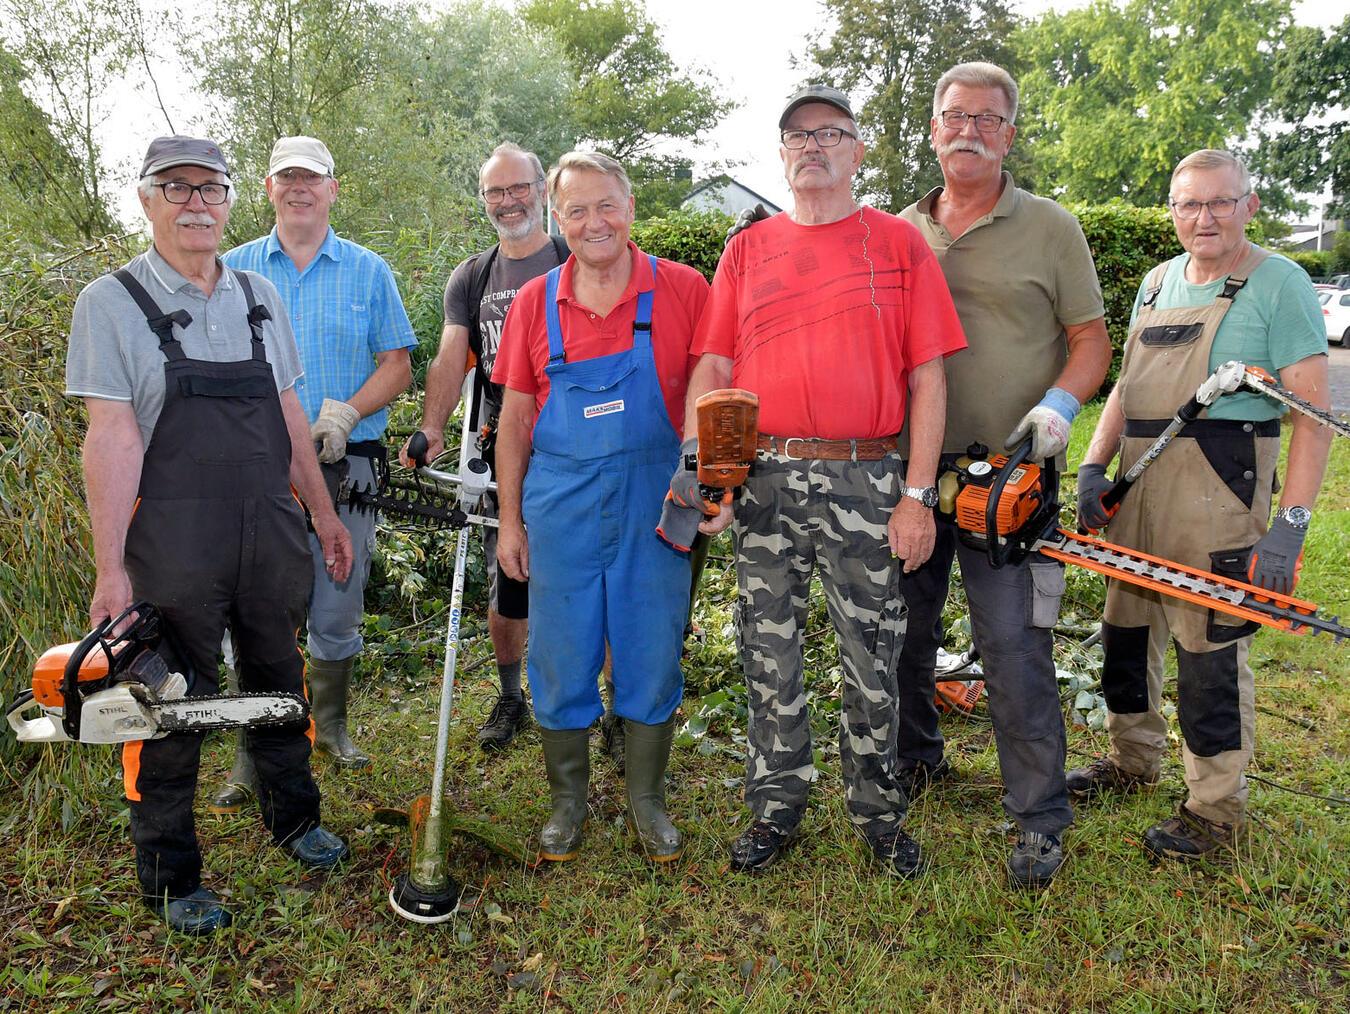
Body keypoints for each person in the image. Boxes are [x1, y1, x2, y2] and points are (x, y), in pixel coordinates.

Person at [64, 136, 355, 935]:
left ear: (232, 201)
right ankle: (169, 874)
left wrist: (323, 514)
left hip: (269, 530)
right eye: (177, 187)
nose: (197, 202)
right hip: (173, 544)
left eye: (211, 188)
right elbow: (111, 439)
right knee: (163, 707)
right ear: (147, 198)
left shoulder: (259, 294)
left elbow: (291, 414)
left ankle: (294, 821)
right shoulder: (112, 301)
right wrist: (110, 568)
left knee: (277, 684)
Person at [686, 85, 967, 878]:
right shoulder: (747, 251)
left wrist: (916, 497)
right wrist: (716, 476)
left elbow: (930, 379)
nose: (813, 147)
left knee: (872, 652)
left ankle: (877, 813)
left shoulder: (899, 244)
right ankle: (776, 807)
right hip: (766, 476)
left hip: (867, 476)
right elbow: (715, 365)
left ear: (858, 152)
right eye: (797, 136)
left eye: (830, 134)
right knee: (766, 651)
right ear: (781, 155)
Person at [1072, 149, 1331, 859]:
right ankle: (1131, 761)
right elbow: (1125, 388)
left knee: (1208, 648)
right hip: (1139, 481)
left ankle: (1215, 810)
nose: (1204, 217)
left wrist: (1290, 527)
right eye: (1190, 204)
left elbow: (1312, 414)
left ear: (1250, 205)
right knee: (1126, 633)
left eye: (1221, 203)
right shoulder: (1156, 283)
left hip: (1218, 486)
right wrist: (1094, 467)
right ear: (1173, 211)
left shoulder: (1279, 283)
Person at [894, 62, 1111, 888]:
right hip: (912, 472)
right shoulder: (899, 229)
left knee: (1014, 648)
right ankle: (918, 760)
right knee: (904, 635)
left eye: (987, 118)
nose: (969, 130)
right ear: (934, 128)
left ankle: (1040, 816)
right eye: (955, 116)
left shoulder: (1050, 227)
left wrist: (1060, 403)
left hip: (1010, 476)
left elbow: (1090, 338)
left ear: (1010, 133)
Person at [493, 151, 710, 863]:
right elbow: (517, 420)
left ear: (631, 206)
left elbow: (716, 394)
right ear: (559, 219)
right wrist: (511, 522)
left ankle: (647, 798)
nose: (594, 222)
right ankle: (568, 800)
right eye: (577, 210)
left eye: (606, 205)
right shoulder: (534, 302)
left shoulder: (683, 290)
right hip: (560, 502)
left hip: (656, 497)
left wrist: (713, 478)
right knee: (561, 650)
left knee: (649, 647)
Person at [209, 136, 415, 805]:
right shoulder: (228, 270)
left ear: (332, 189)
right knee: (253, 610)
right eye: (286, 177)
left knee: (338, 597)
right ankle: (253, 748)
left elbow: (398, 364)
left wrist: (346, 415)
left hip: (347, 465)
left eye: (313, 178)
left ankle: (329, 727)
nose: (300, 188)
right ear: (267, 188)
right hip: (251, 469)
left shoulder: (367, 271)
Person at [400, 142, 568, 754]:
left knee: (588, 572)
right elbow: (451, 355)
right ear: (484, 201)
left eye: (518, 187)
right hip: (502, 438)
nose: (508, 201)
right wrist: (434, 426)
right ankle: (510, 695)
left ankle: (607, 709)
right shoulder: (473, 276)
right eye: (495, 192)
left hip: (574, 434)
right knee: (508, 574)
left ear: (542, 189)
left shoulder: (573, 257)